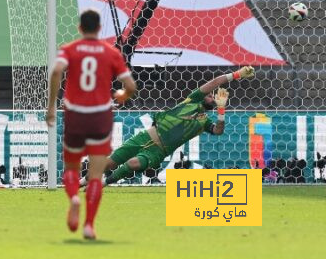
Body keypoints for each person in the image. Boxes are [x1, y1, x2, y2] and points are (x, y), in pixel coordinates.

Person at [46, 9, 136, 240]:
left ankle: (74, 198)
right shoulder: (111, 52)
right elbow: (131, 86)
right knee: (95, 175)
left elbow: (56, 71)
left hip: (75, 115)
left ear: (79, 28)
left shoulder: (69, 49)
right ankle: (88, 225)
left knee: (71, 168)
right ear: (98, 29)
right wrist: (122, 94)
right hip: (100, 117)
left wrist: (51, 107)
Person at [102, 66, 255, 185]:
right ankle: (82, 182)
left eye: (213, 97)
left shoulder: (205, 122)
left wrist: (221, 111)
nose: (212, 96)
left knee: (134, 164)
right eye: (209, 95)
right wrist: (237, 75)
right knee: (108, 163)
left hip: (160, 150)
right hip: (146, 136)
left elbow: (218, 131)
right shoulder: (192, 100)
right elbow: (215, 82)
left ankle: (106, 183)